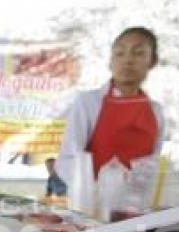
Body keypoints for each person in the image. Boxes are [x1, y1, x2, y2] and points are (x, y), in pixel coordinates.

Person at [54, 27, 165, 184]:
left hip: (138, 204)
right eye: (119, 53)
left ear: (153, 61)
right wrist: (90, 194)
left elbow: (153, 165)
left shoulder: (156, 112)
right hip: (89, 202)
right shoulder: (88, 103)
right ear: (111, 62)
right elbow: (69, 159)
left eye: (138, 53)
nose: (128, 60)